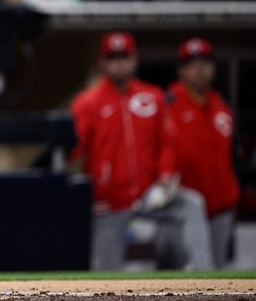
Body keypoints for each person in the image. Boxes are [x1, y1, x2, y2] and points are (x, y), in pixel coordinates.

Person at [70, 32, 214, 271]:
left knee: (192, 203)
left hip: (150, 193)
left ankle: (204, 271)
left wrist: (167, 175)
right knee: (107, 276)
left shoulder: (153, 96)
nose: (118, 63)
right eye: (112, 57)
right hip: (109, 201)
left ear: (134, 59)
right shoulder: (87, 102)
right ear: (102, 62)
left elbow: (167, 141)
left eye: (123, 57)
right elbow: (73, 150)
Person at [167, 38, 240, 268]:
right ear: (181, 70)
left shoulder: (221, 106)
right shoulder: (168, 103)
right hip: (184, 209)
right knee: (182, 278)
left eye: (205, 63)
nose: (199, 70)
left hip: (221, 207)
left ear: (213, 68)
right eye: (192, 64)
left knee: (217, 278)